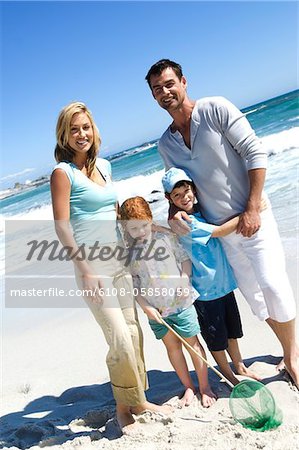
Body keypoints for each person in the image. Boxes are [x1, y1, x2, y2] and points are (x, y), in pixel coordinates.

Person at [145, 59, 298, 386]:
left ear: (184, 81)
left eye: (169, 83)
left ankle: (293, 356)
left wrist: (252, 207)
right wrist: (174, 213)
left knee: (273, 284)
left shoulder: (216, 108)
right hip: (219, 235)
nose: (165, 92)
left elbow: (255, 153)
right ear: (154, 97)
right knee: (256, 298)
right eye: (157, 89)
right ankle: (288, 350)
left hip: (255, 218)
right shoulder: (165, 144)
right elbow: (178, 186)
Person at [50, 101, 171, 433]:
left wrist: (145, 227)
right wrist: (85, 269)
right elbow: (62, 226)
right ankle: (123, 408)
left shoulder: (104, 166)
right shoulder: (63, 174)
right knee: (118, 336)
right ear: (64, 134)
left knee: (133, 332)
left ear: (93, 129)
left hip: (119, 261)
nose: (81, 134)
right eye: (74, 129)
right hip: (93, 267)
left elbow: (115, 211)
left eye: (85, 127)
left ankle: (137, 399)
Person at [162, 167, 261, 385]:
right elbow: (219, 232)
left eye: (186, 191)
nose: (184, 197)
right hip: (206, 291)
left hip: (224, 284)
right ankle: (226, 372)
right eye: (177, 195)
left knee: (232, 331)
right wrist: (251, 211)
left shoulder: (199, 213)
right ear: (169, 198)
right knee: (217, 339)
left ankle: (239, 365)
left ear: (194, 189)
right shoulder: (184, 221)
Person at [120, 196, 217, 407]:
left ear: (150, 220)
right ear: (126, 229)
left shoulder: (166, 238)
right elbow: (134, 286)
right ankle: (189, 387)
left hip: (180, 303)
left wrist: (184, 280)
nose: (140, 232)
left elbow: (184, 260)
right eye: (133, 229)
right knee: (173, 348)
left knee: (193, 345)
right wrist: (146, 308)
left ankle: (204, 386)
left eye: (144, 226)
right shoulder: (130, 254)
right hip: (156, 311)